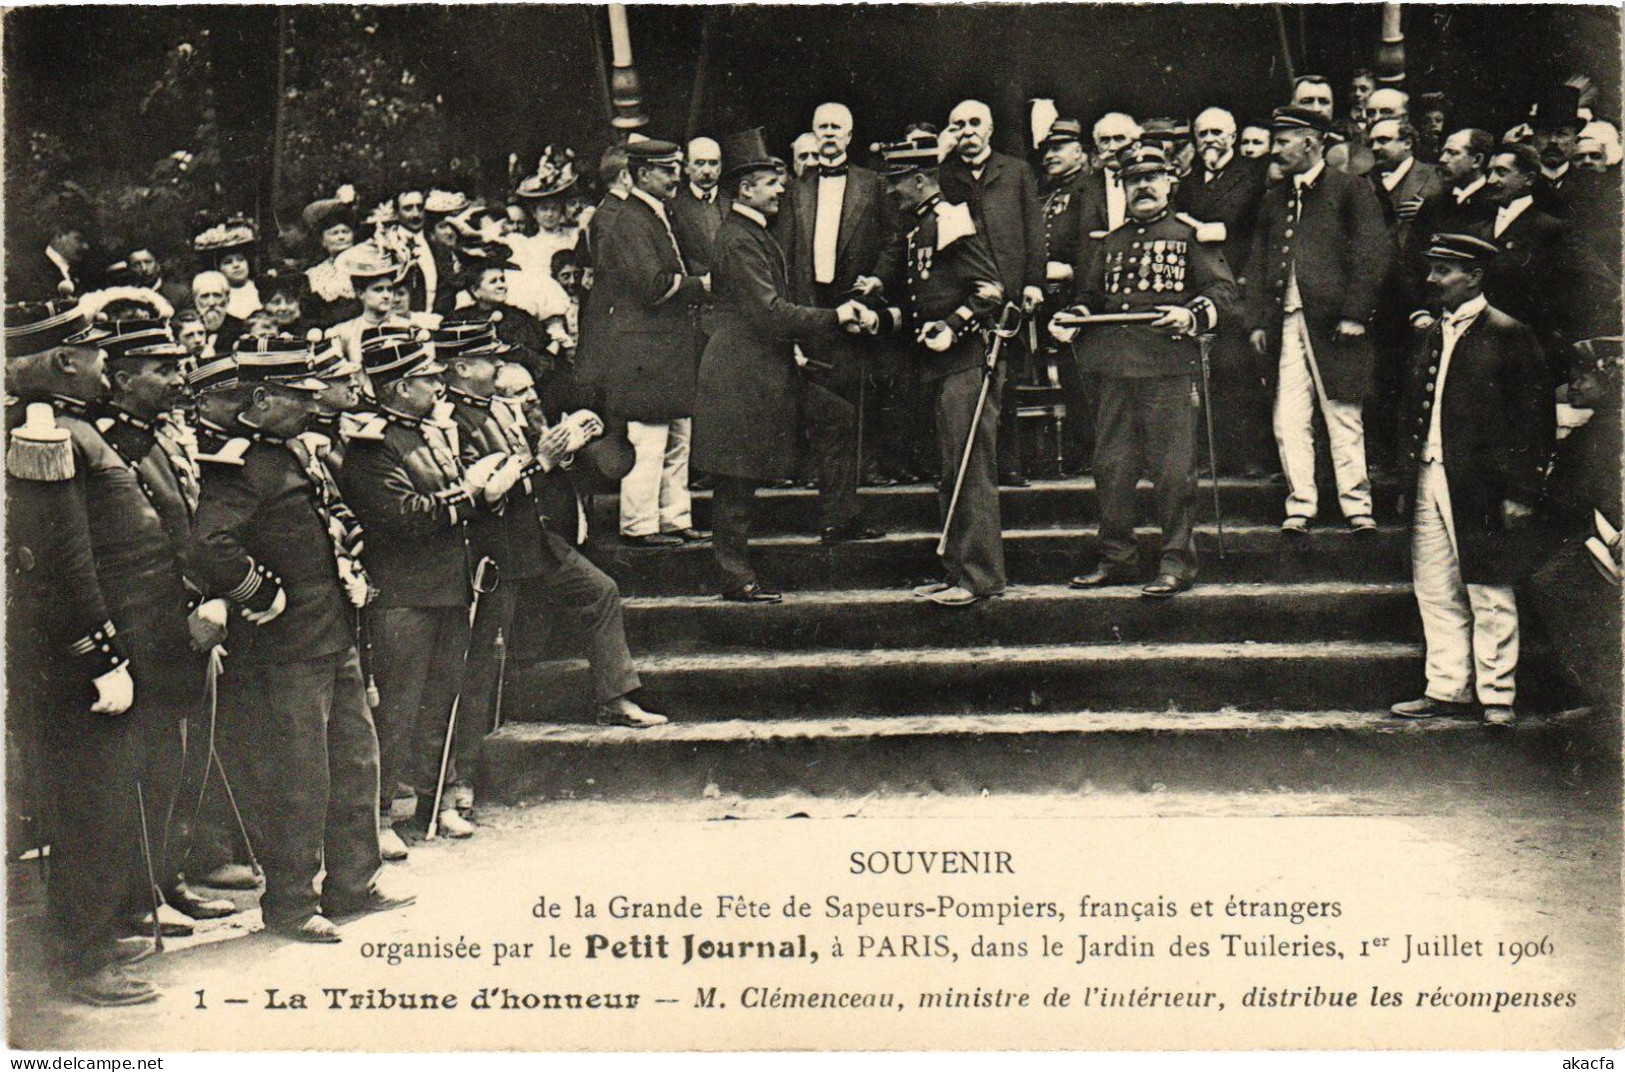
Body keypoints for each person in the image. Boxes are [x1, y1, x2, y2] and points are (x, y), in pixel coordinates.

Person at [192, 337, 413, 943]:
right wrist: (260, 594)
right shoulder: (236, 464)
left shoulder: (292, 449)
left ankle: (352, 885)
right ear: (262, 399)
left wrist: (344, 538)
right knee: (299, 776)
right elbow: (212, 545)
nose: (314, 402)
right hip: (285, 646)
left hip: (332, 630)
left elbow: (321, 513)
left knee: (355, 762)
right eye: (301, 395)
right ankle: (291, 902)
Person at [4, 302, 156, 1005]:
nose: (107, 364)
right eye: (97, 353)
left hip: (94, 643)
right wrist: (98, 654)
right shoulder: (45, 432)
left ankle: (97, 931)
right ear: (66, 360)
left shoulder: (71, 425)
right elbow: (59, 562)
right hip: (73, 656)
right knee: (88, 801)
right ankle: (85, 958)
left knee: (104, 795)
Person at [438, 319, 664, 732]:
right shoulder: (451, 421)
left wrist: (565, 448)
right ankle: (463, 761)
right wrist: (542, 460)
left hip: (535, 539)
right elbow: (485, 492)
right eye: (489, 358)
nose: (498, 365)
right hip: (493, 552)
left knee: (601, 591)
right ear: (462, 367)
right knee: (482, 653)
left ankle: (615, 699)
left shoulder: (497, 409)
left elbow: (536, 464)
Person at [693, 129, 883, 603]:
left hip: (766, 366)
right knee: (735, 478)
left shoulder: (752, 233)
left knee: (835, 417)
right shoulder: (738, 240)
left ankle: (840, 518)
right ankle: (736, 577)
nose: (782, 188)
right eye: (771, 181)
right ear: (746, 189)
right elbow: (770, 312)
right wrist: (836, 317)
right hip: (741, 374)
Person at [96, 320, 237, 932]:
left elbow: (192, 532)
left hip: (194, 625)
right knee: (149, 765)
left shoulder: (161, 437)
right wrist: (185, 610)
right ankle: (136, 893)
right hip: (150, 628)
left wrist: (212, 605)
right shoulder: (111, 445)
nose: (178, 376)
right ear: (124, 378)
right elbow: (131, 552)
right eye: (162, 368)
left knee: (188, 761)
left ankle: (168, 877)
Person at [1052, 141, 1237, 597]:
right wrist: (1073, 316)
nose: (1144, 187)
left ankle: (1177, 564)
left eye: (1152, 178)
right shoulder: (1109, 242)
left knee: (1173, 471)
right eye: (1134, 180)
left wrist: (1191, 315)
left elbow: (1223, 291)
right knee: (1111, 467)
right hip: (1116, 371)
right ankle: (1118, 559)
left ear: (1170, 183)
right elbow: (1091, 297)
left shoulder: (1191, 235)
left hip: (1169, 368)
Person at [1389, 233, 1553, 727]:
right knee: (1435, 587)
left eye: (1443, 270)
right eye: (1432, 269)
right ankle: (1447, 687)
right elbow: (1409, 410)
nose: (1432, 280)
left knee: (1489, 586)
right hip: (1427, 474)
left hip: (1483, 484)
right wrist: (1405, 476)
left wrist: (1521, 491)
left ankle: (1497, 693)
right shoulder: (1431, 333)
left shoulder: (1508, 333)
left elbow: (1534, 420)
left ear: (1475, 276)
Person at [337, 331, 476, 846]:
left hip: (446, 587)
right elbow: (403, 516)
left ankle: (435, 800)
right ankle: (380, 817)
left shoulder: (429, 431)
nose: (437, 385)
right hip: (403, 594)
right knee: (396, 706)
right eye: (426, 378)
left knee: (441, 699)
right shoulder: (372, 446)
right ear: (398, 387)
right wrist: (472, 496)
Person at [871, 133, 1006, 607]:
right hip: (938, 366)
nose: (891, 191)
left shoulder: (950, 219)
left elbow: (990, 290)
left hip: (965, 364)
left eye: (898, 182)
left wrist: (954, 324)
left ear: (922, 179)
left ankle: (980, 576)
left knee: (970, 470)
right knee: (951, 471)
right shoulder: (917, 228)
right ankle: (957, 572)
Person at [1246, 106, 1390, 539]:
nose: (1276, 150)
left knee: (1343, 412)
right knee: (1288, 417)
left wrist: (1355, 314)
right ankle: (1301, 505)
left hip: (1335, 325)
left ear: (1310, 142)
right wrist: (1256, 321)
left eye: (1283, 140)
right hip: (1285, 323)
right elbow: (1257, 263)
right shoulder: (1274, 199)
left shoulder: (1351, 190)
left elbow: (1372, 254)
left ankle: (1357, 506)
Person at [775, 101, 912, 487]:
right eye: (823, 127)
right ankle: (819, 470)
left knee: (856, 387)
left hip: (855, 298)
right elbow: (785, 248)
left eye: (837, 127)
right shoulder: (794, 190)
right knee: (814, 388)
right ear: (815, 134)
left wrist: (879, 280)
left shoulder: (873, 184)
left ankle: (860, 467)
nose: (830, 133)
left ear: (849, 136)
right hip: (810, 300)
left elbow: (893, 241)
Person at [594, 138, 710, 548]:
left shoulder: (657, 214)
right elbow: (652, 287)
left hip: (667, 346)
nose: (676, 176)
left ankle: (675, 517)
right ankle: (640, 524)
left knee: (678, 435)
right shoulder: (630, 220)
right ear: (643, 174)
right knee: (648, 438)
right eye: (667, 170)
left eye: (676, 167)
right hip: (645, 349)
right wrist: (704, 285)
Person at [939, 99, 1045, 488]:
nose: (967, 132)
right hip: (964, 292)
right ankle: (965, 470)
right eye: (958, 125)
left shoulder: (1016, 171)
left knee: (1007, 379)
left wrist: (1034, 281)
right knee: (964, 380)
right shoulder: (945, 175)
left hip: (1010, 289)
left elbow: (1034, 230)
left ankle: (1009, 464)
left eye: (974, 123)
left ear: (989, 129)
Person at [1179, 106, 1271, 477]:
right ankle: (1210, 457)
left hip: (1241, 282)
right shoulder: (1188, 183)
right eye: (1203, 134)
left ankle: (1250, 457)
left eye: (1218, 132)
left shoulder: (1253, 176)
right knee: (1206, 372)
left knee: (1240, 371)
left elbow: (1258, 230)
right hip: (1203, 287)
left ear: (1233, 137)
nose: (1210, 140)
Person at [1034, 118, 1097, 474]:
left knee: (1079, 375)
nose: (1049, 155)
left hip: (1075, 292)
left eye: (1058, 148)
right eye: (1046, 149)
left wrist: (1072, 271)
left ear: (1079, 151)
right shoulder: (1046, 191)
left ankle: (1087, 451)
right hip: (1046, 296)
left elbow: (1090, 245)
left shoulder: (1088, 190)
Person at [325, 245, 410, 366]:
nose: (386, 295)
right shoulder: (344, 332)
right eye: (378, 290)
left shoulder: (406, 327)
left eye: (390, 289)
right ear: (361, 293)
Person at [1411, 128, 1497, 241]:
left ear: (1476, 160)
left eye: (1452, 153)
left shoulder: (1495, 204)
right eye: (1443, 153)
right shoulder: (1432, 204)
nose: (1442, 159)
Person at [302, 187, 361, 325]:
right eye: (334, 233)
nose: (341, 237)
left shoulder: (366, 264)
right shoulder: (315, 275)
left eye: (345, 232)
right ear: (323, 241)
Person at [671, 136, 726, 275]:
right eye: (699, 163)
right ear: (686, 167)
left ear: (720, 167)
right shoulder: (673, 207)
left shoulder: (734, 201)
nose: (707, 171)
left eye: (713, 163)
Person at [193, 216, 262, 320]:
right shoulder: (214, 296)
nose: (236, 265)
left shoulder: (260, 288)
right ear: (218, 268)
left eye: (240, 259)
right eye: (228, 262)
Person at [190, 271, 246, 356]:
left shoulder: (242, 329)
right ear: (195, 301)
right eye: (205, 296)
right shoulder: (187, 331)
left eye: (217, 295)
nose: (211, 303)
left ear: (227, 299)